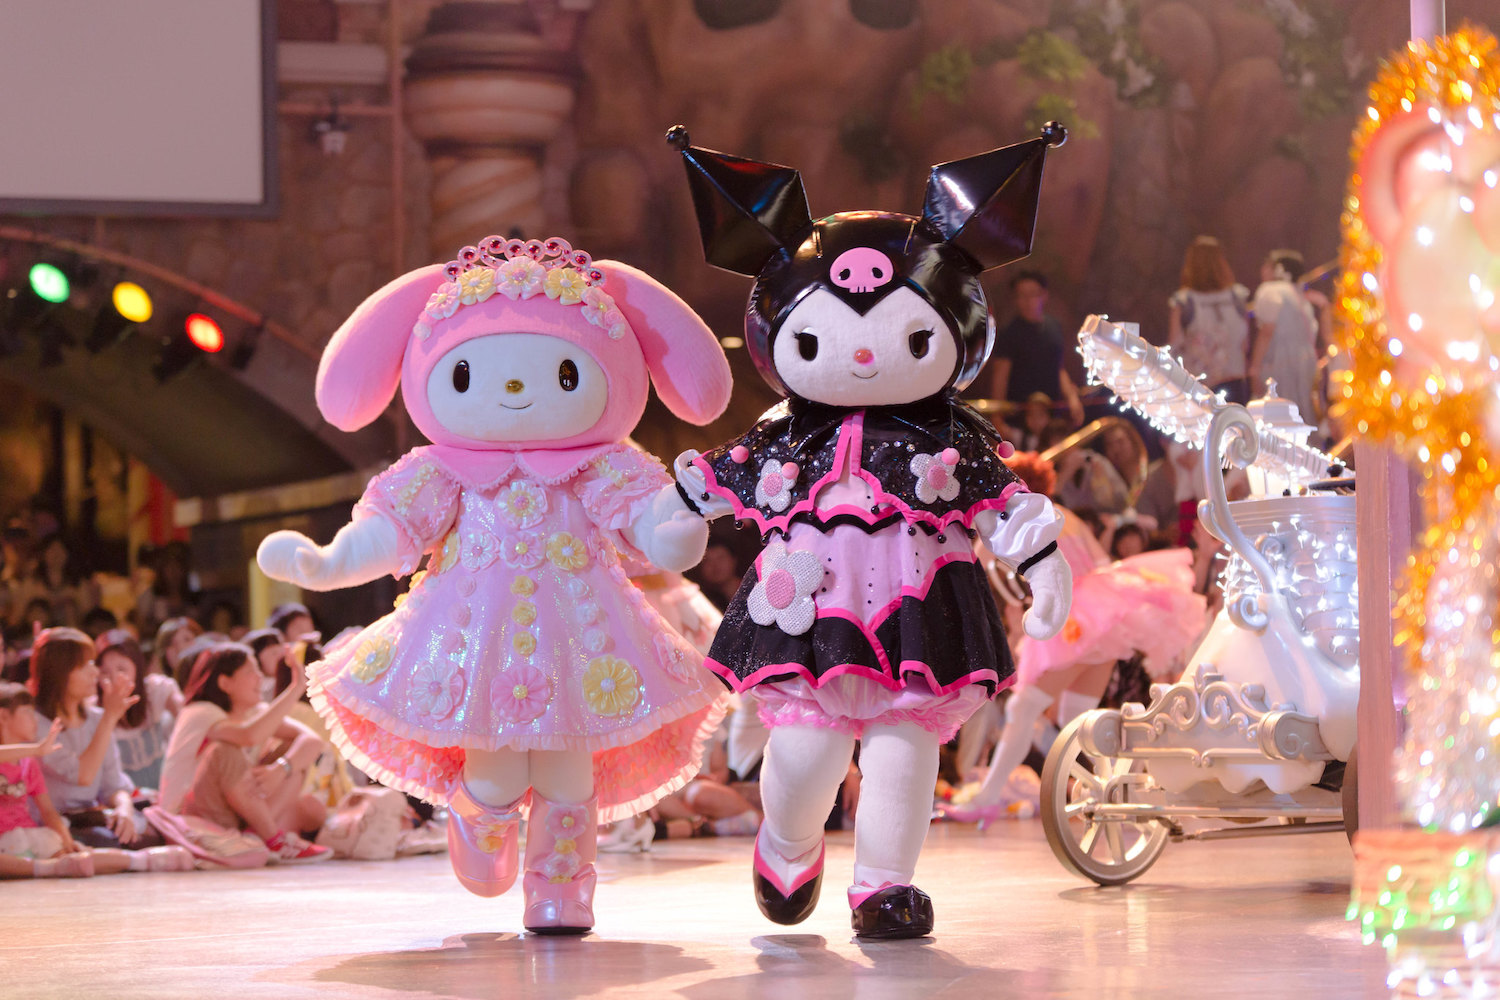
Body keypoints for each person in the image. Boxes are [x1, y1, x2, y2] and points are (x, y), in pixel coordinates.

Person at [254, 231, 734, 932]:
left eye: (565, 374)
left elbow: (652, 528)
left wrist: (683, 519)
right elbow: (391, 529)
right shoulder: (443, 470)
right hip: (473, 642)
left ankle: (561, 889)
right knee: (500, 769)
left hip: (583, 640)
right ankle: (479, 817)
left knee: (569, 771)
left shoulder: (601, 465)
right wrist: (327, 563)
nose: (512, 391)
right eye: (466, 375)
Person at [671, 126, 1073, 939]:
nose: (860, 355)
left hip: (920, 614)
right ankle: (788, 844)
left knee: (904, 752)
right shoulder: (788, 434)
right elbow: (711, 483)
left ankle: (885, 886)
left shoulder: (952, 437)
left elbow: (1002, 502)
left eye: (910, 337)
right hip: (809, 618)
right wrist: (666, 518)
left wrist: (1041, 560)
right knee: (804, 756)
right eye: (818, 339)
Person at [943, 453, 1203, 827]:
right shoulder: (1068, 515)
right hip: (1103, 615)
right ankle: (1120, 790)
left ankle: (988, 796)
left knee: (1024, 709)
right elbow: (1101, 564)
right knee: (1075, 719)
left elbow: (977, 565)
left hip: (1074, 617)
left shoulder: (1016, 514)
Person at [157, 643, 330, 862]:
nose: (260, 677)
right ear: (225, 683)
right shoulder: (199, 711)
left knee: (294, 758)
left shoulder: (254, 712)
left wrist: (281, 769)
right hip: (189, 818)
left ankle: (256, 838)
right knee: (225, 750)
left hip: (232, 816)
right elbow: (248, 736)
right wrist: (295, 688)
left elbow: (312, 741)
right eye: (250, 671)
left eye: (258, 670)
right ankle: (274, 839)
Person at [0, 682, 192, 877]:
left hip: (30, 835)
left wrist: (67, 842)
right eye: (27, 712)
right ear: (3, 716)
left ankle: (144, 860)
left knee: (80, 856)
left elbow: (48, 810)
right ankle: (49, 868)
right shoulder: (29, 754)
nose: (34, 718)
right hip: (5, 843)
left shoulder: (29, 763)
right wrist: (36, 749)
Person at [29, 627, 153, 848]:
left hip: (92, 818)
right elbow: (83, 775)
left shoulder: (96, 718)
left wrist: (124, 809)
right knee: (109, 842)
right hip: (54, 825)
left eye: (93, 663)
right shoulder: (37, 725)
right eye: (84, 665)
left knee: (149, 833)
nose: (95, 672)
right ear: (59, 672)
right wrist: (110, 717)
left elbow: (113, 785)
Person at [983, 270, 1085, 428]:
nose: (1027, 301)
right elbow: (1000, 376)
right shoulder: (1010, 333)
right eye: (1021, 295)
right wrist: (997, 418)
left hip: (1051, 414)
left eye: (1032, 294)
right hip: (1020, 419)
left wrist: (1072, 398)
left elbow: (1059, 368)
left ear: (1044, 295)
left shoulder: (1054, 326)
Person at [1168, 236, 1252, 403]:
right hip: (1234, 380)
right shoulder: (1237, 297)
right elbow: (1245, 344)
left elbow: (1174, 344)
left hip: (1198, 384)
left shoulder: (1184, 301)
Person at [96, 630, 183, 791]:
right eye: (105, 672)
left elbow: (188, 720)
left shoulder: (154, 690)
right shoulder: (93, 711)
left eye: (122, 669)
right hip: (124, 795)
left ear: (137, 667)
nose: (114, 679)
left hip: (166, 786)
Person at [1249, 248, 1328, 424]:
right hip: (1304, 362)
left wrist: (1255, 368)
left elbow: (1267, 331)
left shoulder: (1270, 291)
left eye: (1268, 266)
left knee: (1276, 415)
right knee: (1301, 412)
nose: (1263, 270)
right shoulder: (1298, 295)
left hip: (1280, 362)